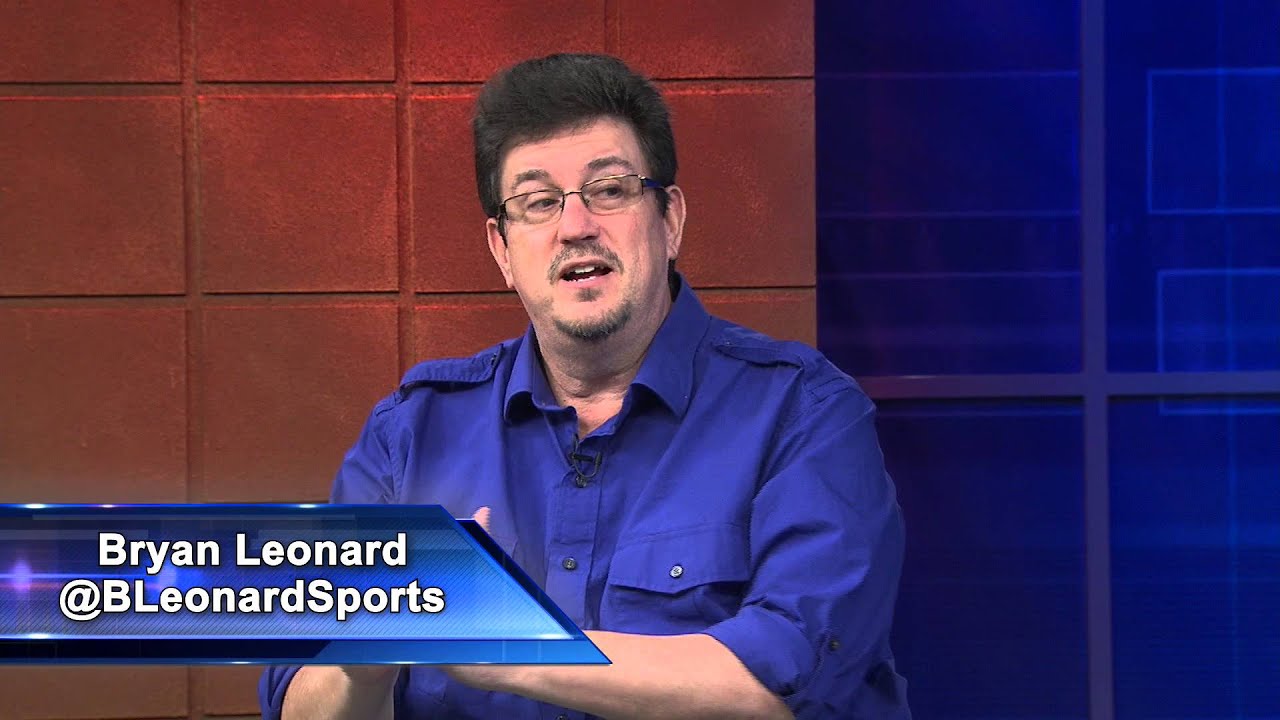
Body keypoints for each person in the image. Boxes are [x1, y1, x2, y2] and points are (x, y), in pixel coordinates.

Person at [260, 53, 909, 719]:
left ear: (669, 220)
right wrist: (367, 657)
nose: (575, 226)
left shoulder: (804, 412)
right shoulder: (410, 434)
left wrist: (508, 642)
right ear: (502, 250)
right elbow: (295, 700)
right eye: (538, 203)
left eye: (610, 190)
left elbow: (784, 684)